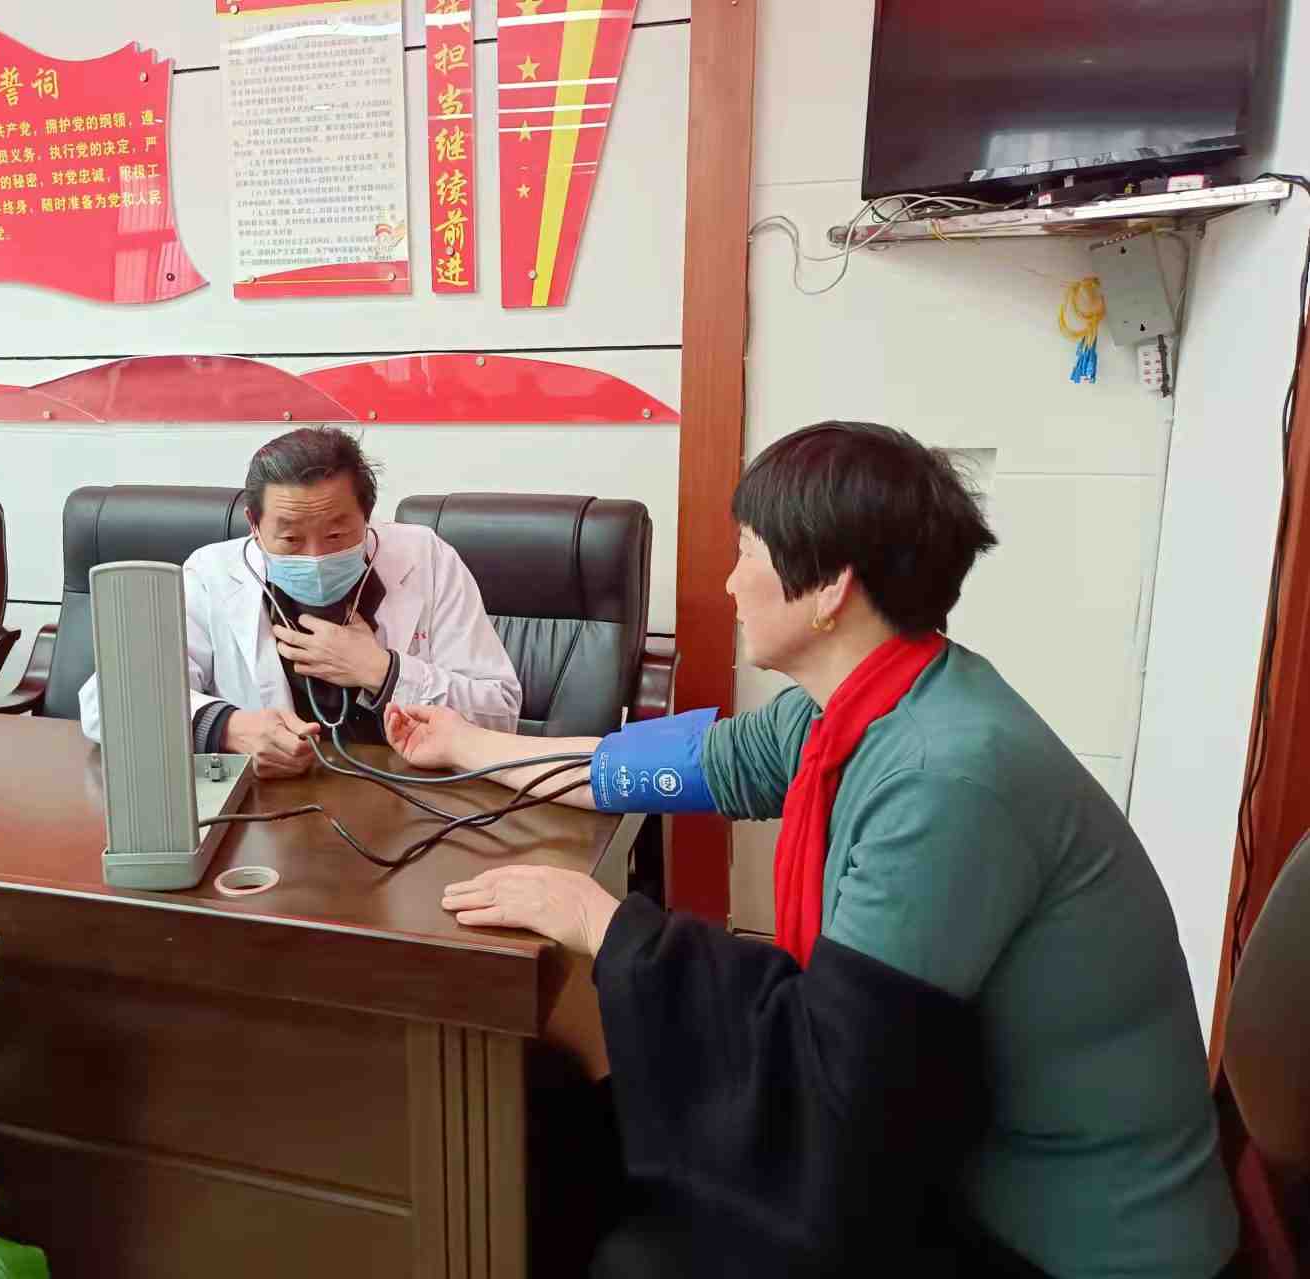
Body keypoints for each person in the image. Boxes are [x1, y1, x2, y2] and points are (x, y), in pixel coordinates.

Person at [384, 422, 1239, 1278]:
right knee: (573, 1127)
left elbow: (839, 1085)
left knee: (628, 1239)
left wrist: (605, 923)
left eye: (747, 551)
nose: (729, 581)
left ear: (831, 587)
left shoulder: (946, 779)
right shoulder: (852, 708)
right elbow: (636, 769)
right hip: (936, 1140)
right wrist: (466, 745)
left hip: (1053, 1241)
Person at [80, 427, 520, 776]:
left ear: (368, 516)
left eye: (336, 534)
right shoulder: (212, 575)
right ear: (254, 524)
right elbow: (108, 702)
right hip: (271, 809)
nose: (315, 557)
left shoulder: (425, 558)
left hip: (416, 795)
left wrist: (382, 671)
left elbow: (500, 714)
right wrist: (227, 728)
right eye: (290, 539)